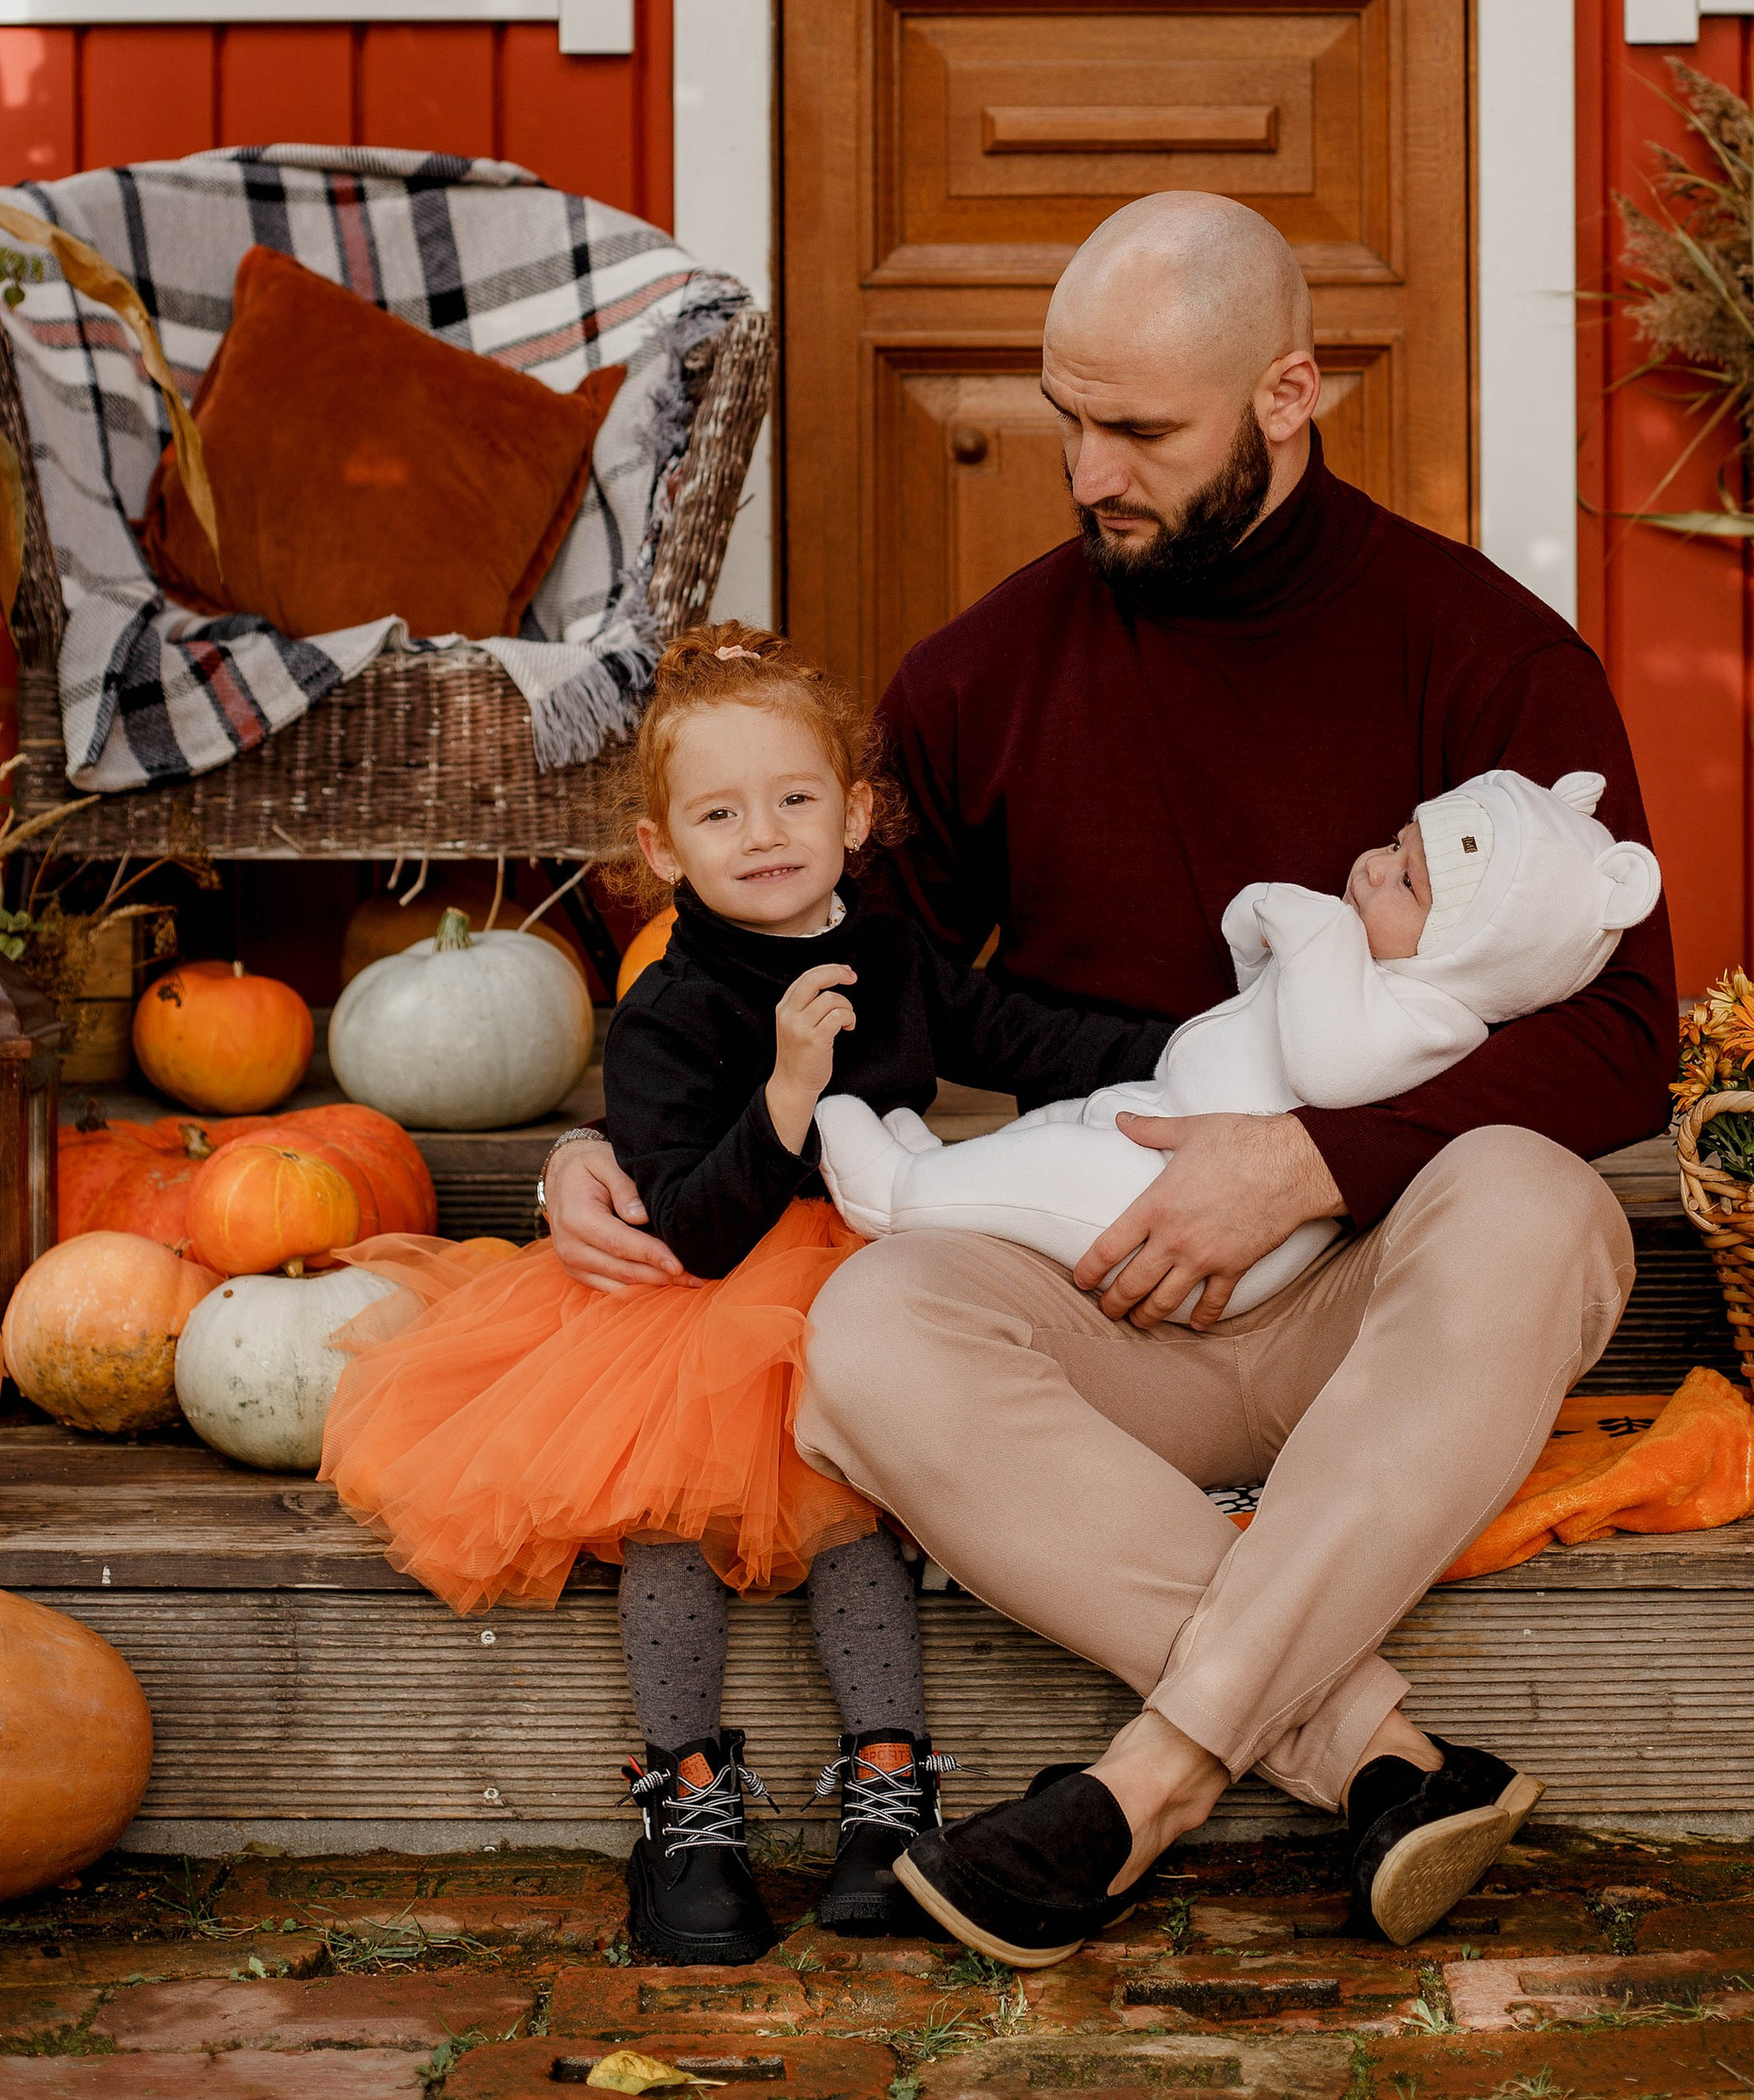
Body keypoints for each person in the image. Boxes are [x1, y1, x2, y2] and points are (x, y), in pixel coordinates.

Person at [542, 192, 1676, 1964]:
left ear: (1289, 392)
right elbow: (803, 966)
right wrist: (608, 1136)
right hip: (1096, 1297)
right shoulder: (983, 678)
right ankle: (1373, 1759)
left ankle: (1147, 1782)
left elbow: (1626, 1036)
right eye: (1068, 417)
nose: (1086, 473)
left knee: (1537, 1201)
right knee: (867, 1336)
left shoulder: (1484, 655)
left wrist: (1312, 1160)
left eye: (1141, 429)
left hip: (1378, 1308)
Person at [321, 625, 1172, 1962]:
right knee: (668, 1517)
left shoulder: (891, 954)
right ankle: (686, 1809)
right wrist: (787, 1095)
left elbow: (1031, 1036)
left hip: (871, 1277)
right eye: (719, 814)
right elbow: (695, 1229)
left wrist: (1204, 1056)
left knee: (853, 1521)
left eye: (794, 799)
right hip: (697, 1304)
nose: (764, 835)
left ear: (856, 814)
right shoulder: (670, 1007)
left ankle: (887, 1795)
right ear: (662, 849)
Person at [814, 767, 1662, 1316]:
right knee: (1055, 1129)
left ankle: (898, 1194)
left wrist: (1311, 928)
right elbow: (1265, 998)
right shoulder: (1383, 966)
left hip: (1203, 1220)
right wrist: (1265, 935)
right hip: (1164, 1114)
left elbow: (1331, 1068)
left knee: (1054, 1171)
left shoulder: (1439, 1020)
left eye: (1407, 881)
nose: (1373, 867)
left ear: (1470, 951)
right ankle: (942, 1167)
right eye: (1394, 844)